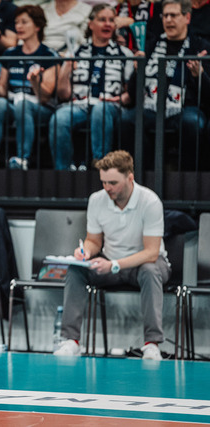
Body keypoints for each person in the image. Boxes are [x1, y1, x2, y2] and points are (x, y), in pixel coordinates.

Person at [54, 150, 171, 360]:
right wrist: (85, 251)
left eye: (113, 183)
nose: (107, 188)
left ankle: (152, 344)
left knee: (150, 271)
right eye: (104, 182)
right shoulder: (97, 200)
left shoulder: (150, 201)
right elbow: (94, 241)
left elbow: (151, 252)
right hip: (110, 262)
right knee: (75, 271)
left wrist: (115, 264)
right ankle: (71, 341)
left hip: (144, 263)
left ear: (130, 178)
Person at [122, 0, 210, 171]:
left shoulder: (200, 47)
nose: (169, 20)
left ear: (187, 18)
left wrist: (199, 75)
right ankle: (143, 175)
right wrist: (137, 71)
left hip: (186, 107)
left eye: (174, 15)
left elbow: (207, 96)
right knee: (127, 120)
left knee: (192, 122)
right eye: (165, 16)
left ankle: (187, 178)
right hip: (151, 106)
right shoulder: (151, 45)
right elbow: (133, 93)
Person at [49, 4, 134, 170]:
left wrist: (121, 99)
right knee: (60, 118)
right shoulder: (77, 52)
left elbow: (129, 92)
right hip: (80, 104)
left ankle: (100, 167)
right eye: (102, 20)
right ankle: (63, 172)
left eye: (111, 20)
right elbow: (63, 94)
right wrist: (66, 68)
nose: (107, 24)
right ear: (90, 24)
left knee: (100, 109)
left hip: (110, 106)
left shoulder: (125, 54)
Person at [0, 5, 60, 170]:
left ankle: (22, 159)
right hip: (13, 104)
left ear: (37, 26)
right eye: (16, 22)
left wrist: (35, 82)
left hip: (40, 108)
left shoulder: (49, 55)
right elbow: (2, 91)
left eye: (24, 22)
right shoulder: (10, 54)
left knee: (23, 104)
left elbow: (45, 97)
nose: (19, 26)